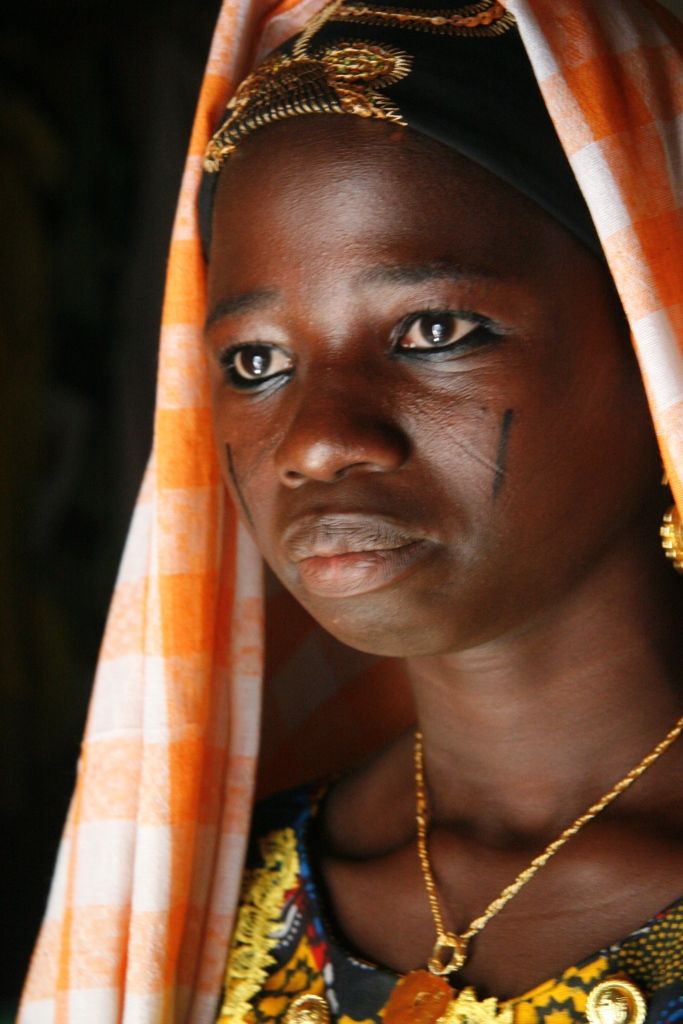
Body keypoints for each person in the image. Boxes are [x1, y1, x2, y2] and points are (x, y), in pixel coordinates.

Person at [19, 1, 683, 1023]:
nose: (317, 438)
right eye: (255, 362)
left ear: (653, 332)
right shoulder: (206, 905)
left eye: (431, 327)